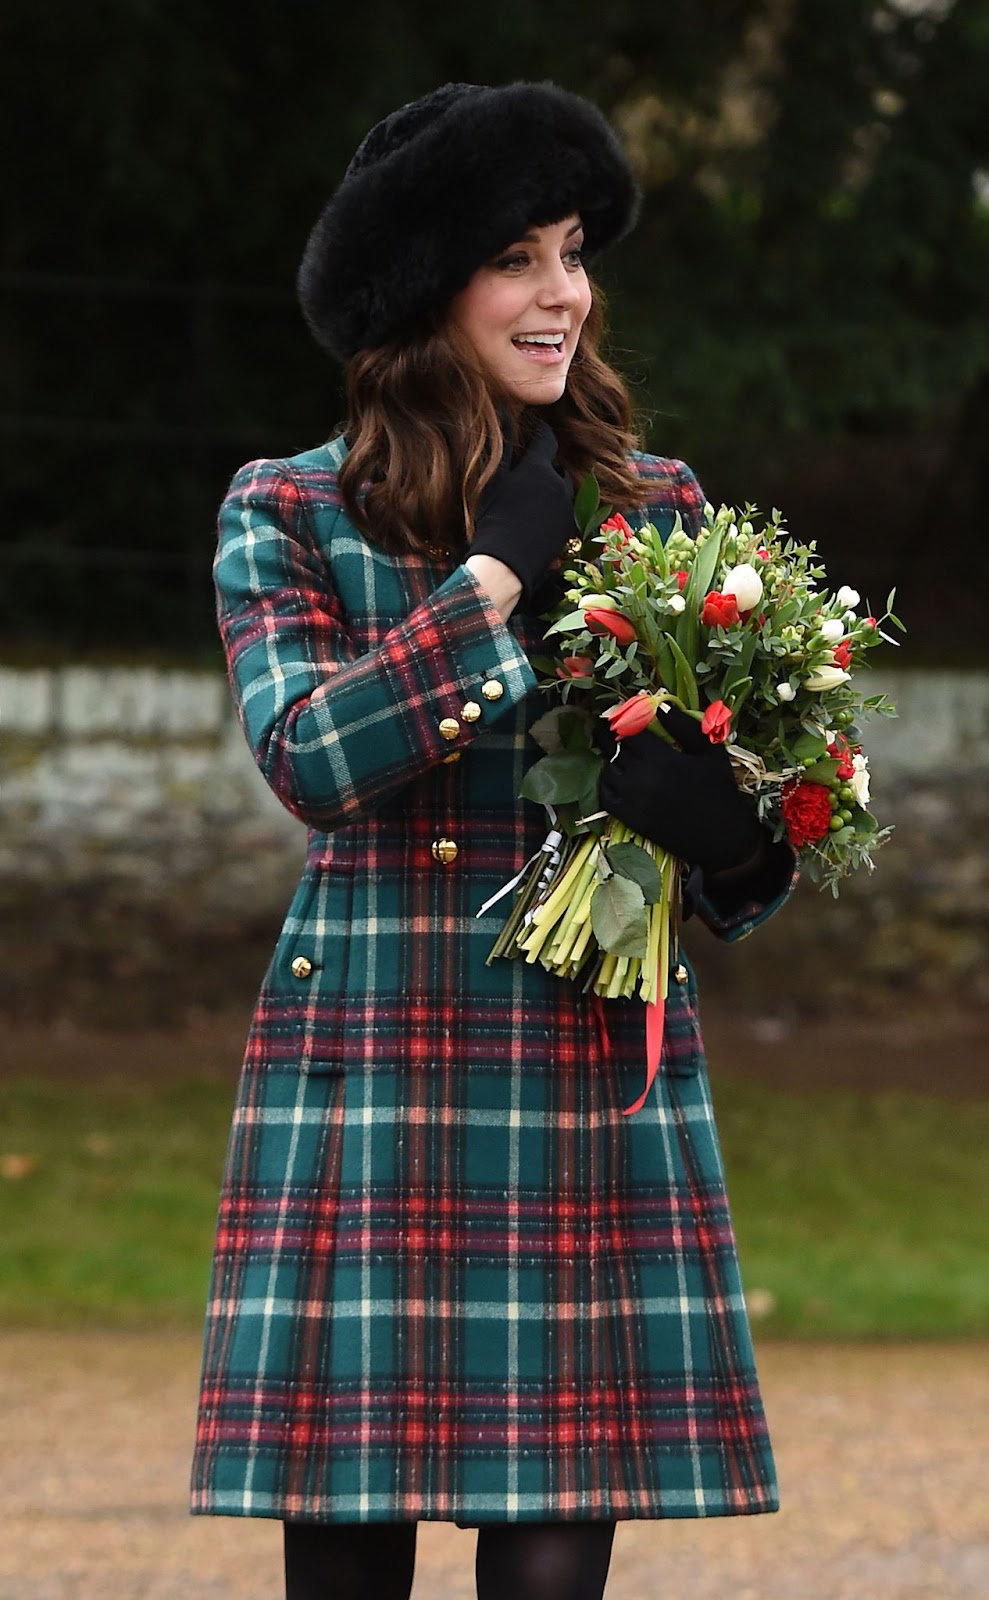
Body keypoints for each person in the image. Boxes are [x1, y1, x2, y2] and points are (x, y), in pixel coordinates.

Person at [190, 81, 796, 1600]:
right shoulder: (288, 511)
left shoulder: (653, 507)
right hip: (372, 1062)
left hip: (576, 1058)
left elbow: (748, 863)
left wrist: (730, 838)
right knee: (347, 1565)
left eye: (574, 251)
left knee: (545, 1577)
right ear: (424, 288)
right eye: (517, 255)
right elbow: (309, 760)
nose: (563, 293)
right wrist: (486, 591)